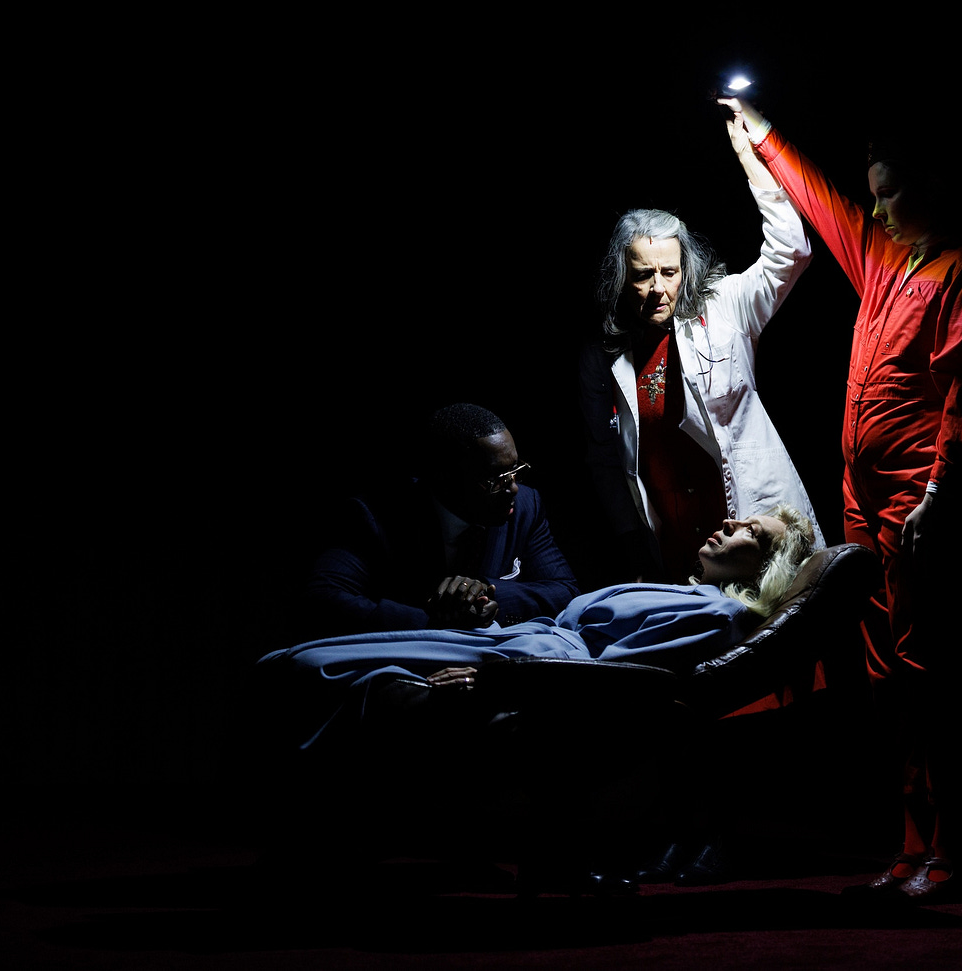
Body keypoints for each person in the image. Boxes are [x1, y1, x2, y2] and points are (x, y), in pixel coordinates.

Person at [718, 95, 962, 903]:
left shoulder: (956, 269)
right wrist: (759, 132)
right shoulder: (883, 258)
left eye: (890, 191)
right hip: (861, 497)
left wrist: (938, 493)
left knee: (919, 667)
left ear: (932, 186)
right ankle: (910, 847)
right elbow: (826, 202)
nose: (875, 207)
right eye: (873, 192)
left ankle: (949, 848)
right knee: (880, 674)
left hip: (912, 498)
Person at [258, 506, 816, 895]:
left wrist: (501, 680)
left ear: (766, 566)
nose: (730, 524)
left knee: (315, 667)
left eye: (753, 533)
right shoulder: (691, 592)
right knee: (323, 663)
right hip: (522, 643)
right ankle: (313, 830)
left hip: (532, 664)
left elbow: (618, 677)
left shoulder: (723, 615)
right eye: (741, 517)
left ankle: (303, 830)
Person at [579, 105, 824, 586]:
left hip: (744, 522)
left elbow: (792, 251)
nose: (659, 288)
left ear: (685, 269)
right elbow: (609, 458)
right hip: (676, 543)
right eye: (643, 275)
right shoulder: (608, 354)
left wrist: (752, 162)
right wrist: (634, 537)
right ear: (622, 277)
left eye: (669, 273)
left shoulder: (727, 306)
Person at [297, 402, 580, 640]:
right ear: (444, 478)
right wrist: (434, 620)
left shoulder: (526, 507)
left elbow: (565, 591)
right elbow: (322, 600)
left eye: (515, 471)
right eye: (496, 479)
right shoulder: (375, 516)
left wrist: (482, 594)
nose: (514, 488)